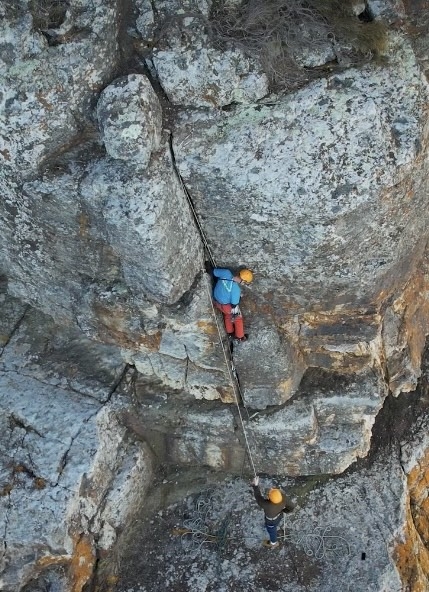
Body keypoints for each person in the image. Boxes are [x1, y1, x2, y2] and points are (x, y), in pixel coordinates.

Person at [212, 267, 253, 342]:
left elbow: (213, 271)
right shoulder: (236, 289)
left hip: (216, 302)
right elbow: (234, 304)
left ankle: (230, 332)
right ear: (243, 281)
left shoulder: (226, 273)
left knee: (227, 315)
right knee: (238, 318)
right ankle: (240, 336)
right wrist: (239, 298)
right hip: (226, 307)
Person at [252, 476, 294, 549]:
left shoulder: (266, 504)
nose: (271, 489)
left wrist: (255, 486)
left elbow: (258, 497)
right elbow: (292, 507)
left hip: (271, 521)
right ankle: (272, 532)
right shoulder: (283, 499)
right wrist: (285, 511)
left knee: (272, 531)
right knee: (275, 523)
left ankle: (273, 543)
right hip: (279, 515)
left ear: (269, 498)